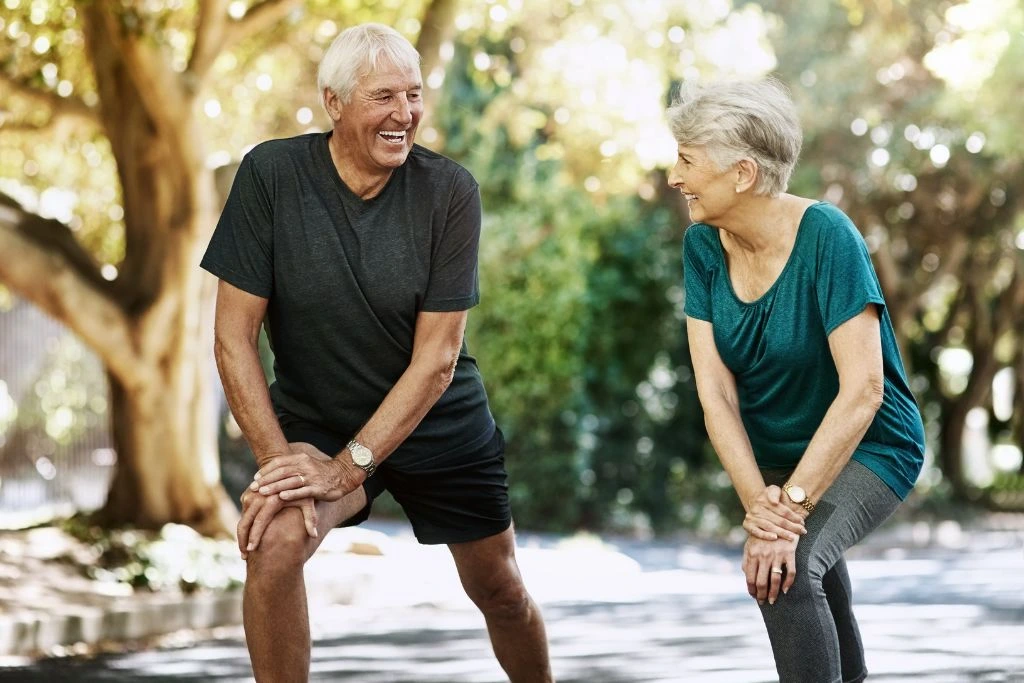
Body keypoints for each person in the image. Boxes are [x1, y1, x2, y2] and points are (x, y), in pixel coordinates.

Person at [201, 23, 553, 683]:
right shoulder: (271, 177)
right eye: (384, 96)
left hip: (437, 420)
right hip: (319, 418)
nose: (405, 114)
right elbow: (232, 336)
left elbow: (437, 360)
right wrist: (281, 462)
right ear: (334, 104)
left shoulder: (449, 192)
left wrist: (348, 469)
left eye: (414, 95)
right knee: (273, 543)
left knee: (501, 588)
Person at [668, 78, 925, 682]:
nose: (673, 177)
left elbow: (864, 390)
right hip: (780, 461)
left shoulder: (828, 238)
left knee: (786, 566)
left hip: (870, 445)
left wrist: (789, 511)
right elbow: (717, 395)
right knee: (799, 570)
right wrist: (762, 503)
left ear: (742, 173)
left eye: (686, 160)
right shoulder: (703, 245)